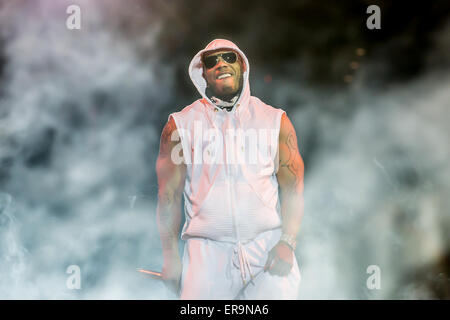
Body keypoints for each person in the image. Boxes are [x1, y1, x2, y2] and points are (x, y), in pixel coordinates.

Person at [156, 39, 304, 299]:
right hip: (206, 258)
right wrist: (170, 258)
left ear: (242, 65)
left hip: (266, 250)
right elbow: (168, 196)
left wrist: (288, 242)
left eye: (229, 57)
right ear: (202, 72)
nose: (221, 64)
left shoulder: (274, 120)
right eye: (212, 60)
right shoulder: (180, 125)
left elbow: (293, 188)